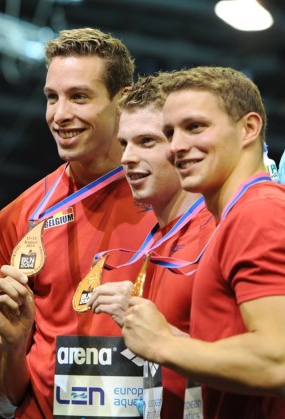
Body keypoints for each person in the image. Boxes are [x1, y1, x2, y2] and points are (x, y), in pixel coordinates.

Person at [120, 66, 285, 418]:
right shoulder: (269, 215)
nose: (178, 146)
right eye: (170, 132)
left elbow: (281, 366)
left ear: (249, 128)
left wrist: (162, 342)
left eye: (195, 127)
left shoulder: (259, 217)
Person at [0, 28, 157, 418]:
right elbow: (1, 400)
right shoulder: (19, 218)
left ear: (123, 101)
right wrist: (12, 346)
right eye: (52, 98)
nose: (60, 115)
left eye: (79, 97)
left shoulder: (178, 202)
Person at [88, 74, 215, 419]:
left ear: (180, 145)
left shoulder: (220, 232)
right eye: (124, 143)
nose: (127, 158)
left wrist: (161, 335)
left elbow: (268, 367)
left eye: (146, 141)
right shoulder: (161, 238)